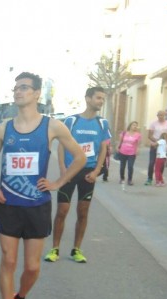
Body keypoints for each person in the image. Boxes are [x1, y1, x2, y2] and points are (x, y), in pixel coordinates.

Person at [0, 72, 86, 299]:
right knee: (8, 260)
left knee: (31, 267)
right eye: (16, 88)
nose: (18, 92)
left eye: (25, 88)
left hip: (37, 205)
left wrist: (59, 182)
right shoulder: (3, 129)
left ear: (37, 94)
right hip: (8, 204)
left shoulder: (52, 126)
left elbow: (79, 156)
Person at [45, 86, 110, 264]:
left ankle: (76, 250)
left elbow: (104, 148)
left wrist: (97, 171)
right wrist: (62, 168)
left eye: (103, 99)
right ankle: (54, 249)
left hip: (88, 172)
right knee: (62, 211)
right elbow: (61, 145)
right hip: (70, 170)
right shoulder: (71, 121)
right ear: (88, 99)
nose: (101, 101)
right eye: (98, 98)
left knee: (83, 212)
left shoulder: (102, 123)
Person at [145, 110, 167, 185]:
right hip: (154, 145)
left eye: (162, 115)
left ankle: (159, 179)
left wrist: (166, 141)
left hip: (163, 147)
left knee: (161, 164)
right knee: (152, 162)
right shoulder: (153, 123)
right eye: (159, 115)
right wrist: (157, 141)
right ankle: (149, 179)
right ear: (157, 116)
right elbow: (149, 135)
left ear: (165, 115)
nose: (160, 116)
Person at [116, 121, 140, 185]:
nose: (135, 126)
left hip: (132, 153)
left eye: (136, 125)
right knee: (122, 166)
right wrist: (118, 147)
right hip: (123, 151)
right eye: (133, 125)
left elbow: (138, 144)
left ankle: (130, 180)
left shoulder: (138, 135)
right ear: (130, 126)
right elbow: (120, 141)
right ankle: (122, 178)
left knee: (130, 166)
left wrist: (137, 150)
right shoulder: (124, 133)